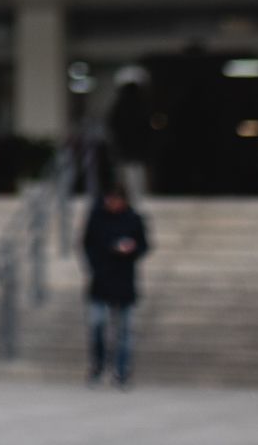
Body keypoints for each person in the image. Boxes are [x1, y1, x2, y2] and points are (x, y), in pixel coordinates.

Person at [82, 184, 150, 388]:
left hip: (124, 281)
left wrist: (132, 249)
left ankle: (121, 370)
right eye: (109, 200)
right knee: (97, 324)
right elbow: (87, 244)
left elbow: (144, 245)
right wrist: (101, 260)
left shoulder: (133, 219)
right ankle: (98, 365)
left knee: (124, 331)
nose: (112, 204)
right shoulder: (97, 218)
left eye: (116, 200)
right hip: (101, 280)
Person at [105, 68, 154, 200]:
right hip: (131, 145)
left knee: (131, 171)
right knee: (133, 171)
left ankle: (133, 196)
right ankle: (134, 196)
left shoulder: (122, 105)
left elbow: (112, 124)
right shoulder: (139, 104)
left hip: (129, 145)